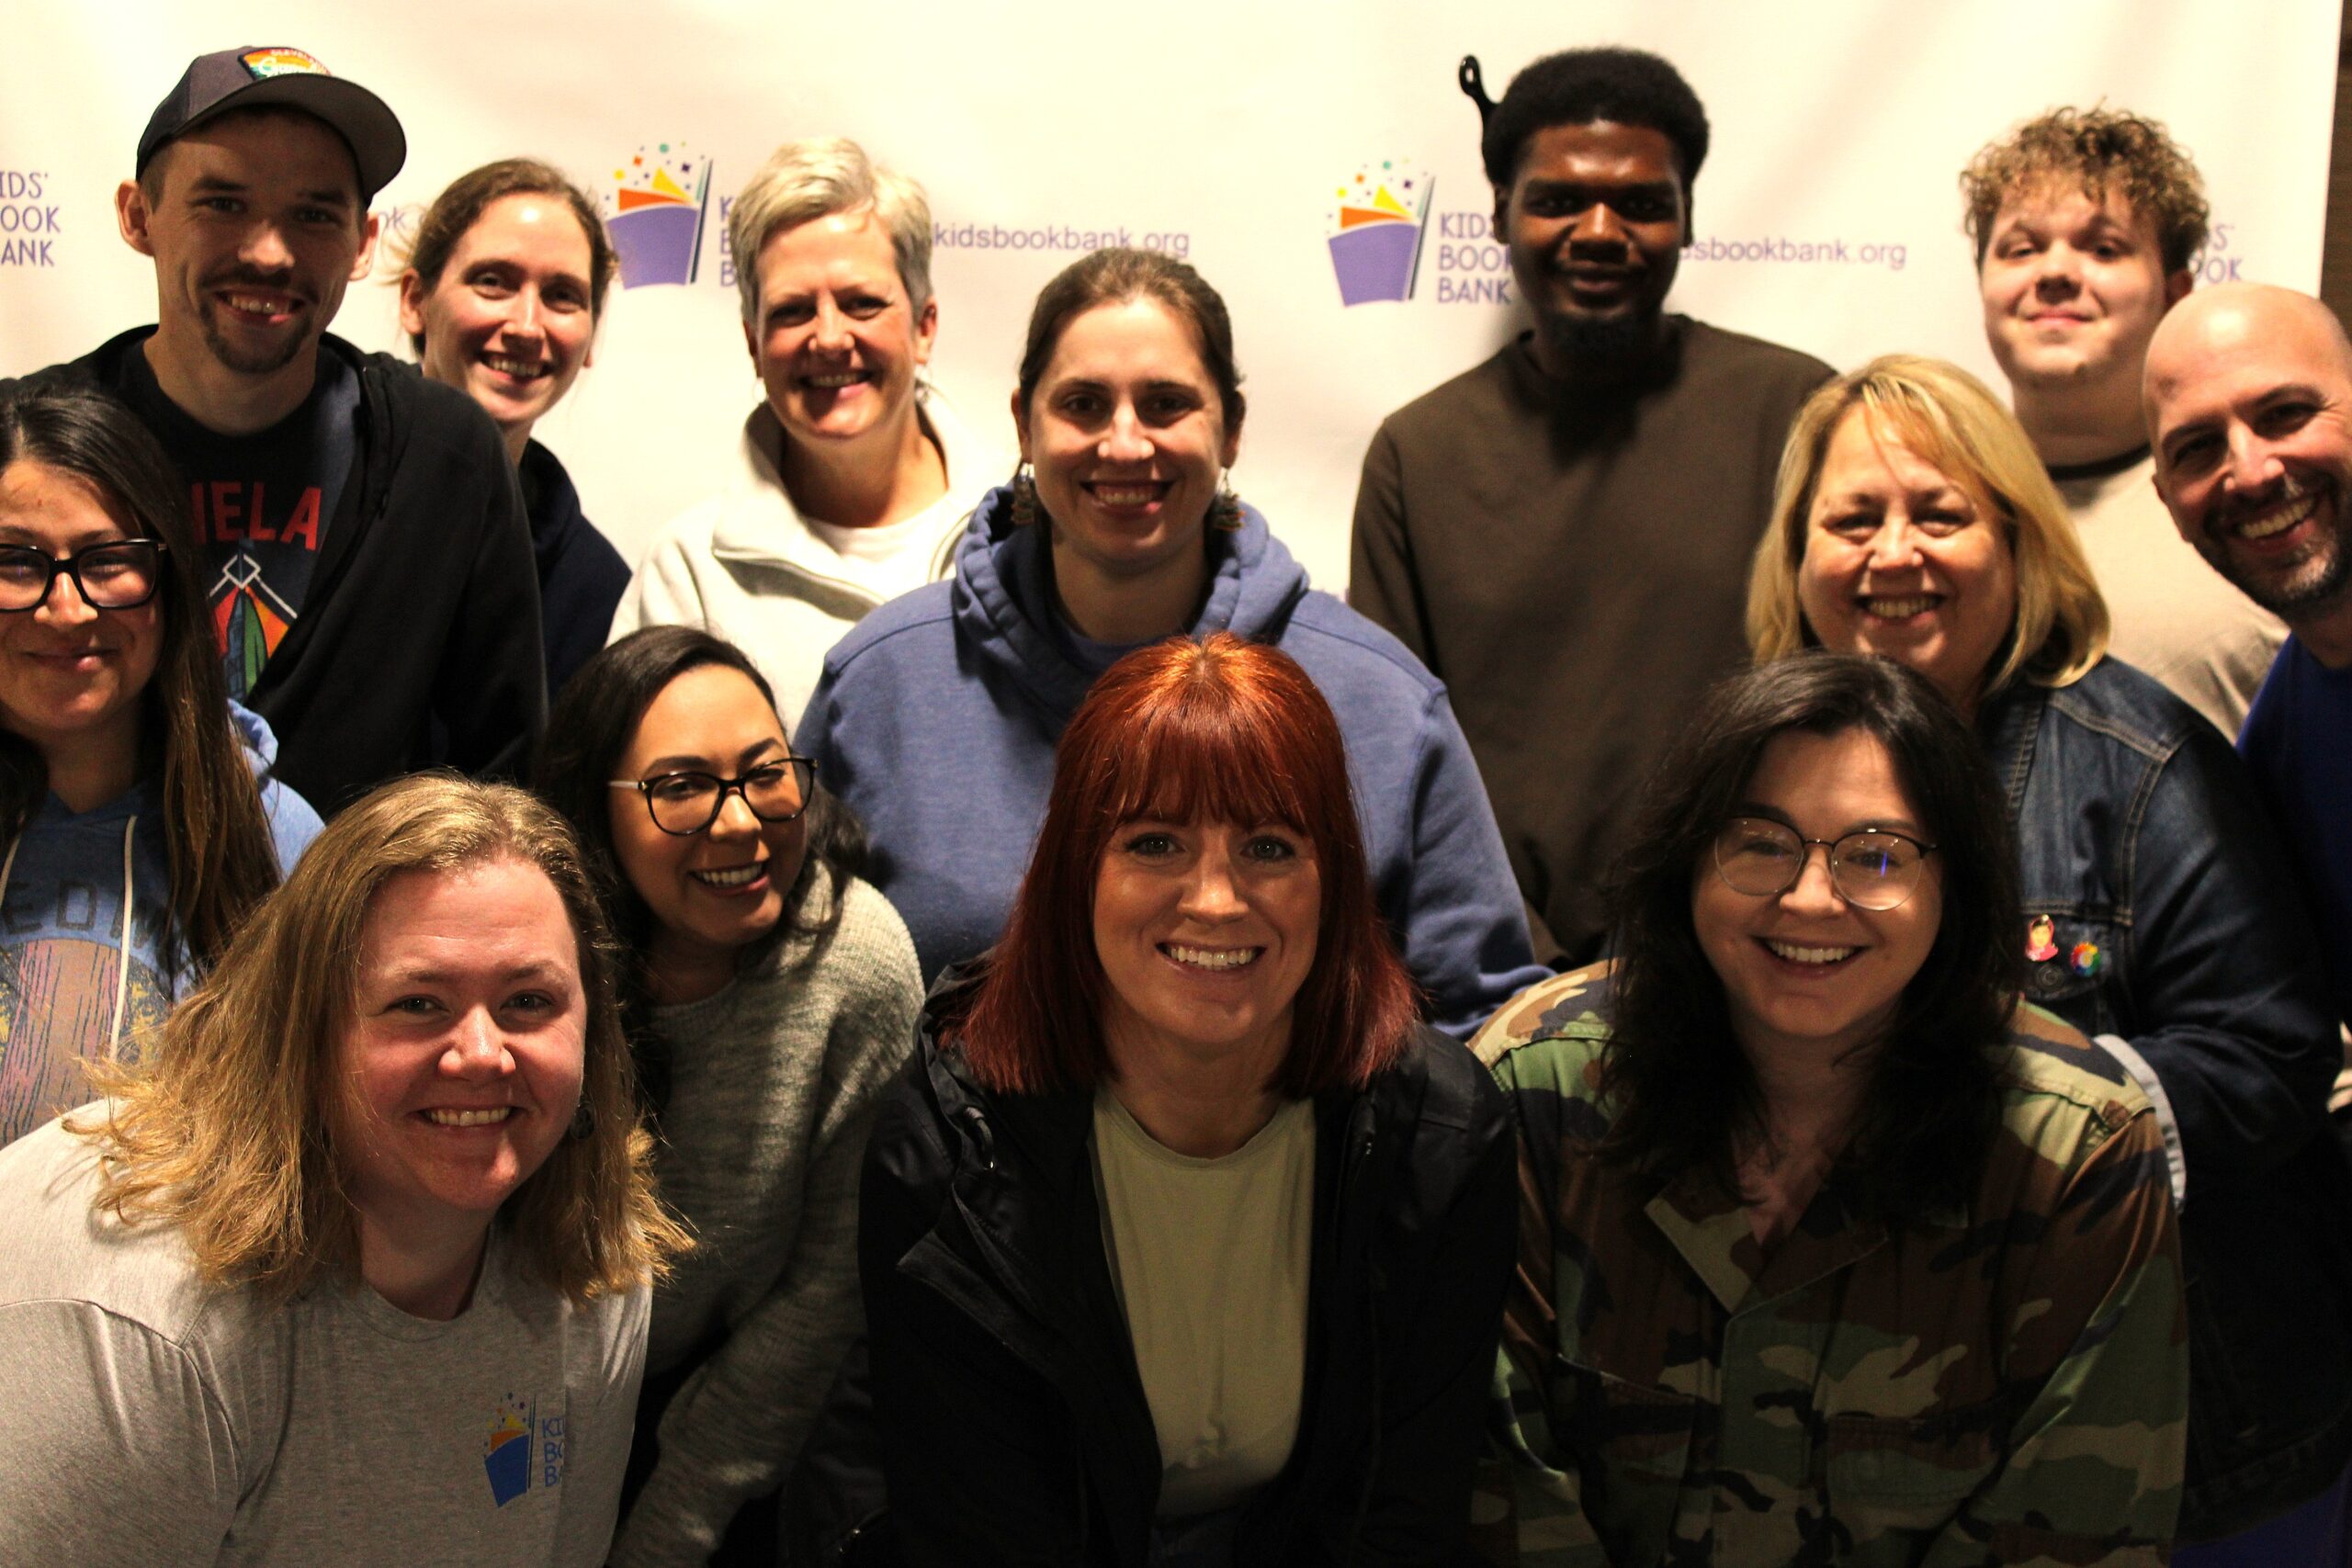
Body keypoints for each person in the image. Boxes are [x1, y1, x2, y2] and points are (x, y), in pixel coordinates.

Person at [1747, 354, 2352, 1552]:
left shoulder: (2144, 762)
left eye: (1941, 514)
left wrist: (1994, 1100)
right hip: (1851, 1447)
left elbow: (2268, 1056)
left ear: (2019, 544)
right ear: (1796, 556)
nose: (1893, 554)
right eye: (1853, 520)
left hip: (2172, 1440)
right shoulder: (1744, 770)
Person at [1473, 652, 2187, 1564]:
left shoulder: (2077, 1151)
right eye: (1760, 843)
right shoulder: (1537, 1084)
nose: (1810, 898)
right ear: (1689, 862)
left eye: (1877, 855)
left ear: (1954, 885)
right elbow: (1490, 1483)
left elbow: (2074, 1531)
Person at [853, 633, 1514, 1563]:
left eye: (1269, 846)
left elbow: (1400, 1519)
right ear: (1076, 875)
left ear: (1333, 881)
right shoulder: (942, 1154)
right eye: (1155, 843)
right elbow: (982, 1536)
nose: (1215, 900)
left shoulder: (1439, 1137)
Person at [799, 246, 1542, 1036]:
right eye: (1083, 404)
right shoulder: (879, 682)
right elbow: (783, 979)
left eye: (1165, 404)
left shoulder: (1381, 700)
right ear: (1024, 424)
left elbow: (1477, 1024)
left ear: (1232, 429)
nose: (1124, 444)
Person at [0, 773, 691, 1564]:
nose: (482, 1053)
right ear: (306, 1032)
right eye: (418, 1003)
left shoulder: (594, 1270)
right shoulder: (152, 1332)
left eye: (529, 1001)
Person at [1349, 46, 1833, 966]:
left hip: (1766, 956)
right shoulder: (1419, 455)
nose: (1601, 231)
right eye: (1559, 200)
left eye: (1642, 203)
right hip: (1499, 978)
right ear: (1499, 214)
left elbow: (1853, 708)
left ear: (1688, 219)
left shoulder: (1795, 412)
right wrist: (1522, 971)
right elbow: (1390, 753)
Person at [4, 45, 545, 811]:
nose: (268, 252)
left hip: (355, 893)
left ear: (362, 243)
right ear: (138, 216)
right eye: (223, 204)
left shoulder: (444, 456)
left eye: (314, 215)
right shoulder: (26, 448)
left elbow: (505, 777)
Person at [535, 626, 922, 1565]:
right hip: (512, 1392)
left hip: (721, 1424)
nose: (741, 822)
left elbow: (819, 1304)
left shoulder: (856, 967)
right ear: (596, 809)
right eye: (681, 787)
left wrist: (663, 1538)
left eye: (765, 774)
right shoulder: (535, 959)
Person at [0, 386, 320, 1146]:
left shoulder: (275, 835)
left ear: (169, 583)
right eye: (15, 561)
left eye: (109, 560)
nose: (67, 610)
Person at [612, 137, 1001, 725]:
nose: (829, 338)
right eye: (792, 310)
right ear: (753, 343)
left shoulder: (1029, 531)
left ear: (924, 328)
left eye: (862, 303)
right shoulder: (688, 573)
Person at [1962, 106, 2281, 735]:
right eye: (2022, 249)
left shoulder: (2256, 503)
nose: (2055, 273)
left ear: (2175, 293)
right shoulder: (1922, 512)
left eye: (2103, 248)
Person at [2146, 284, 2352, 1038]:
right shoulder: (2276, 749)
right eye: (2197, 448)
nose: (2253, 470)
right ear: (2168, 501)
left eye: (2286, 414)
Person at [401, 158, 630, 702]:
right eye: (493, 283)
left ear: (591, 336)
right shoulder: (316, 503)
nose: (527, 326)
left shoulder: (595, 590)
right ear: (415, 302)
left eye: (562, 296)